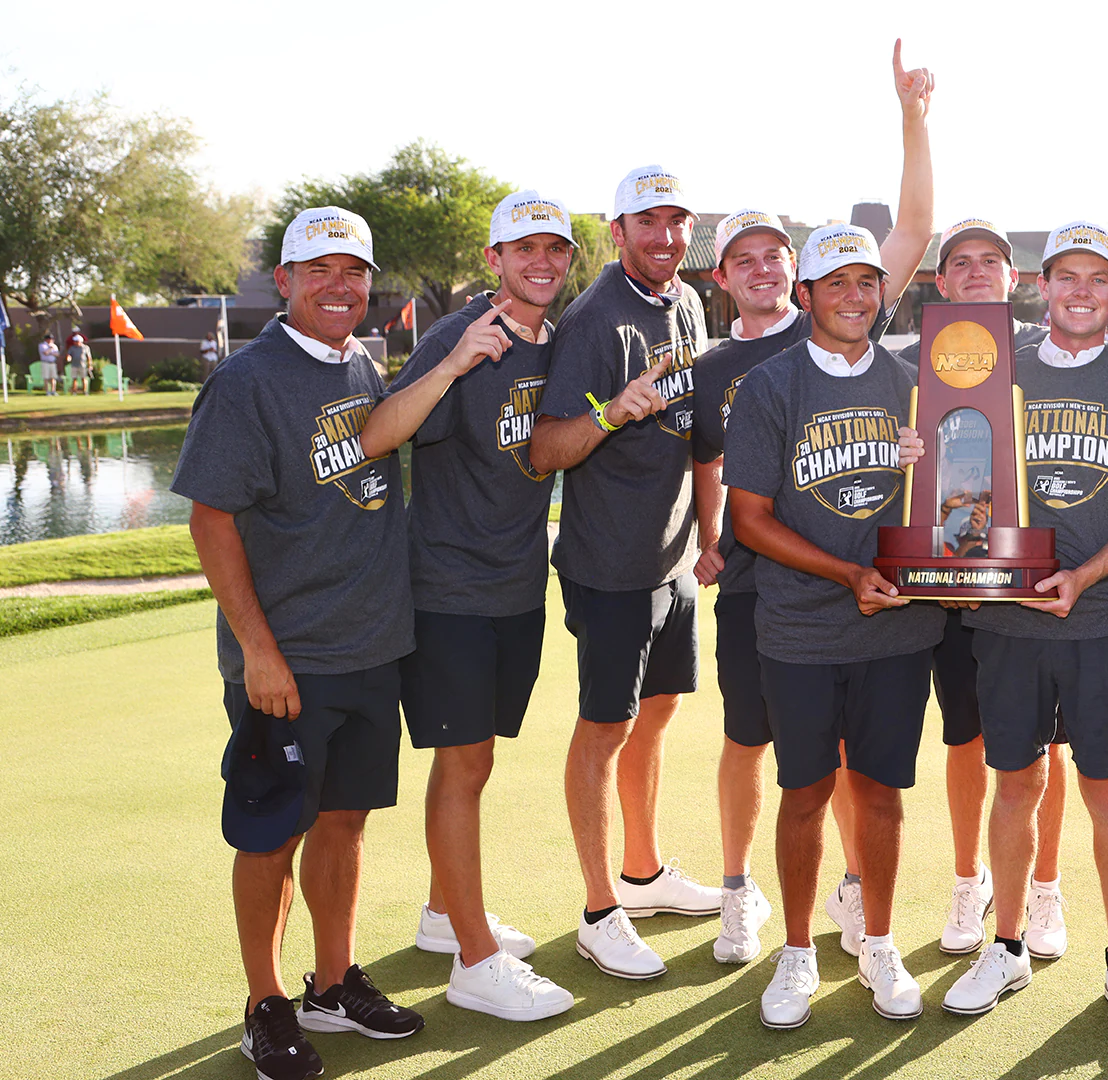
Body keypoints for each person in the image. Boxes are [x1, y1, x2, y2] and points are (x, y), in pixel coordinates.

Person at [689, 43, 936, 966]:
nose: (759, 269)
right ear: (727, 278)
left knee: (862, 774)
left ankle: (859, 908)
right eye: (741, 259)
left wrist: (913, 115)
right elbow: (709, 470)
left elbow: (912, 224)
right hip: (768, 585)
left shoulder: (880, 350)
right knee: (761, 746)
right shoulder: (724, 371)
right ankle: (741, 892)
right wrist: (710, 539)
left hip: (871, 590)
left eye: (772, 254)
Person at [172, 206, 424, 1080]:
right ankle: (264, 1001)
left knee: (346, 824)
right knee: (271, 835)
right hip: (286, 661)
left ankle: (333, 979)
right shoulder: (246, 382)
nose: (339, 285)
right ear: (283, 281)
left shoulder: (363, 359)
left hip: (370, 649)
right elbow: (212, 522)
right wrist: (258, 651)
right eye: (319, 269)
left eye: (353, 270)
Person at [938, 222, 1108, 1040]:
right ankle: (1004, 944)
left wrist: (1083, 577)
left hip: (1104, 620)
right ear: (1042, 285)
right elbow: (958, 480)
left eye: (1096, 277)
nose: (1079, 289)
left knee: (1107, 792)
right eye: (1064, 275)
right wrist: (922, 461)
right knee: (1015, 784)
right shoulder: (996, 365)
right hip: (1007, 621)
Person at [354, 190, 580, 1021]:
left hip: (518, 583)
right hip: (448, 587)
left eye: (555, 249)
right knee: (462, 763)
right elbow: (380, 434)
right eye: (523, 249)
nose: (541, 262)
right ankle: (475, 962)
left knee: (478, 761)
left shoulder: (559, 343)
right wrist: (452, 363)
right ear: (494, 259)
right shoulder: (458, 335)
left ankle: (445, 915)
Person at [723, 223, 939, 1028]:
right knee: (805, 791)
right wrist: (848, 573)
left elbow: (956, 505)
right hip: (801, 628)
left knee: (880, 793)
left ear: (882, 293)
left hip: (896, 628)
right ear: (805, 295)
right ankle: (799, 951)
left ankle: (878, 941)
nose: (854, 297)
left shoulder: (916, 384)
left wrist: (941, 468)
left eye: (866, 283)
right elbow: (749, 518)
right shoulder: (771, 389)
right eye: (836, 284)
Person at [529, 166, 718, 981]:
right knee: (605, 728)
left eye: (677, 221)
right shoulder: (595, 319)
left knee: (658, 713)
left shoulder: (686, 301)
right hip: (609, 567)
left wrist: (710, 534)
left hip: (671, 557)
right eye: (649, 222)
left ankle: (641, 875)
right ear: (618, 232)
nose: (666, 236)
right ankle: (600, 909)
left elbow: (698, 431)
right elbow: (546, 450)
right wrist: (615, 409)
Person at [893, 217, 1072, 960]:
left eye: (988, 261)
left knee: (1043, 748)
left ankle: (1044, 889)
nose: (973, 271)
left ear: (1013, 277)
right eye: (959, 262)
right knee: (965, 738)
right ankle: (970, 882)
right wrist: (904, 454)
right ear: (940, 280)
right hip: (951, 581)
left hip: (1031, 584)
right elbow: (905, 472)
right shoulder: (914, 362)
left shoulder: (1048, 354)